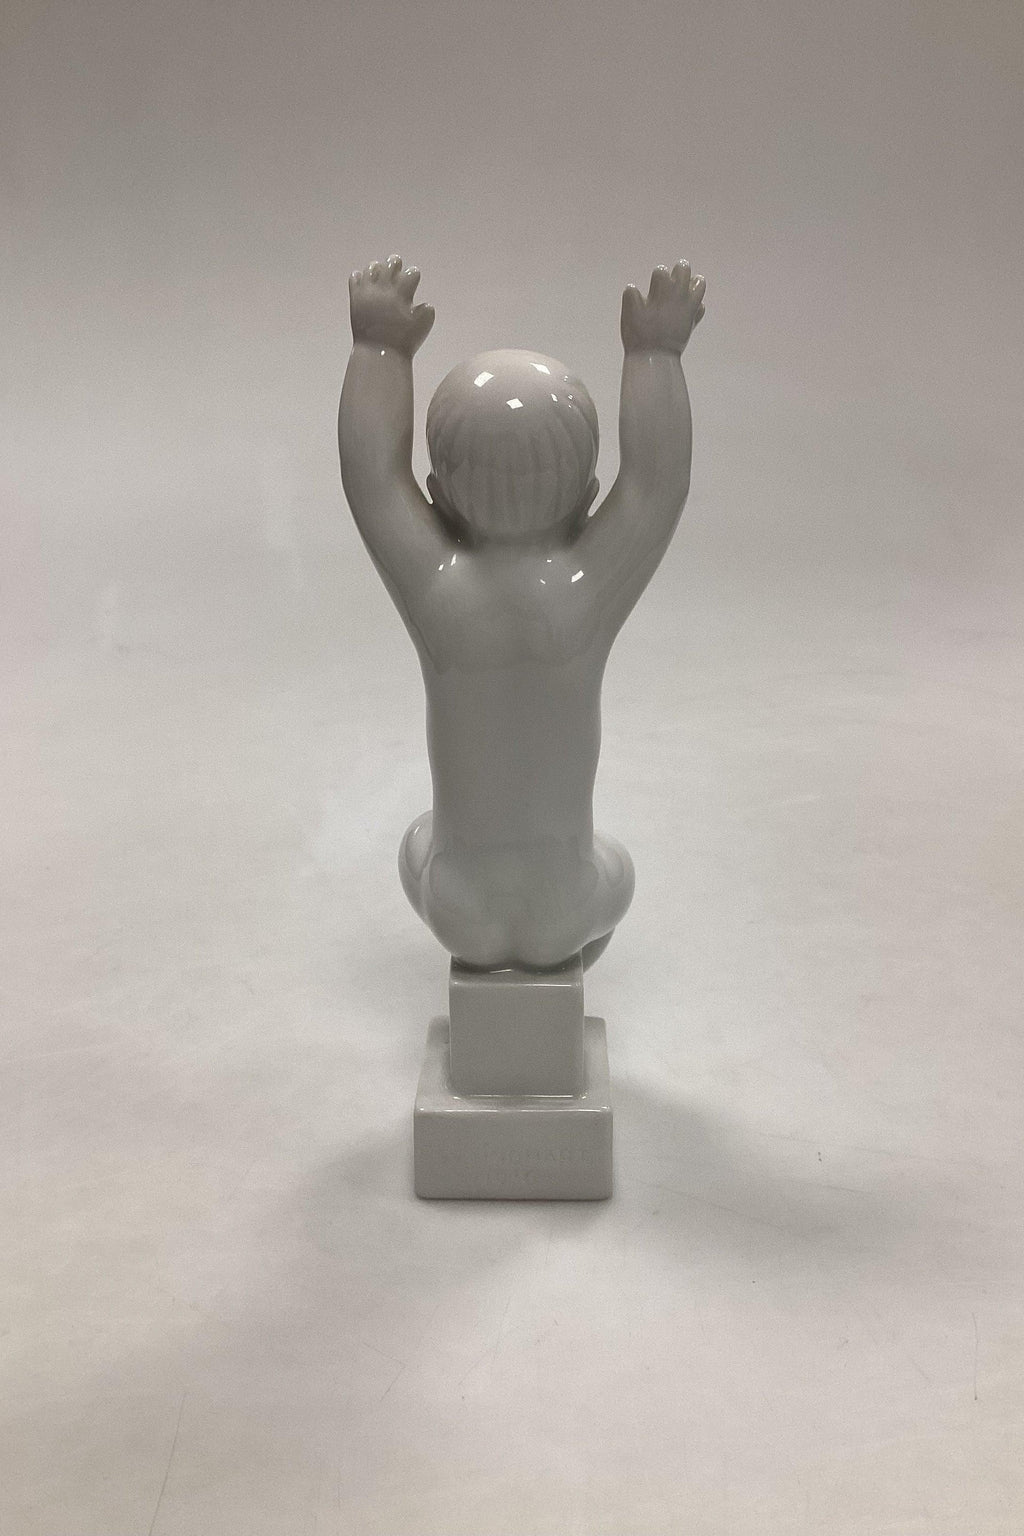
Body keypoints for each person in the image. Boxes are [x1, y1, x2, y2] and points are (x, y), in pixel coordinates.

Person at [339, 254, 704, 971]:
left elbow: (372, 482)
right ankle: (558, 961)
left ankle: (491, 947)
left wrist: (377, 348)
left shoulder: (436, 587)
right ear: (587, 494)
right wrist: (656, 353)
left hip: (456, 905)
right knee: (616, 866)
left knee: (416, 840)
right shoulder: (586, 589)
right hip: (568, 900)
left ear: (438, 494)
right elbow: (656, 486)